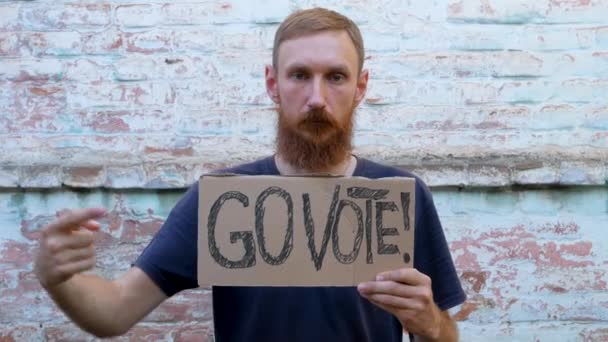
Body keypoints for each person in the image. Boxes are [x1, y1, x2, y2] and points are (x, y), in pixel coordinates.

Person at [34, 7, 466, 342]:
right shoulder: (220, 199)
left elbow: (445, 333)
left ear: (361, 87)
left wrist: (430, 324)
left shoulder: (400, 195)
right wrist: (59, 278)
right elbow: (113, 312)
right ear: (272, 84)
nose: (317, 97)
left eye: (336, 76)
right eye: (300, 75)